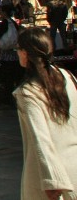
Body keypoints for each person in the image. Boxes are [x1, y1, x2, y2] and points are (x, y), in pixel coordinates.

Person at [14, 27, 77, 199]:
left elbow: (40, 138)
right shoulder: (67, 77)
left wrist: (52, 181)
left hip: (49, 175)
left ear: (25, 53)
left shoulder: (28, 92)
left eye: (18, 49)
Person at [0, 0, 24, 97]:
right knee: (15, 76)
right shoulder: (13, 23)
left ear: (4, 12)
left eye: (1, 11)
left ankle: (8, 96)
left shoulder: (4, 23)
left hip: (6, 56)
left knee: (7, 78)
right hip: (15, 55)